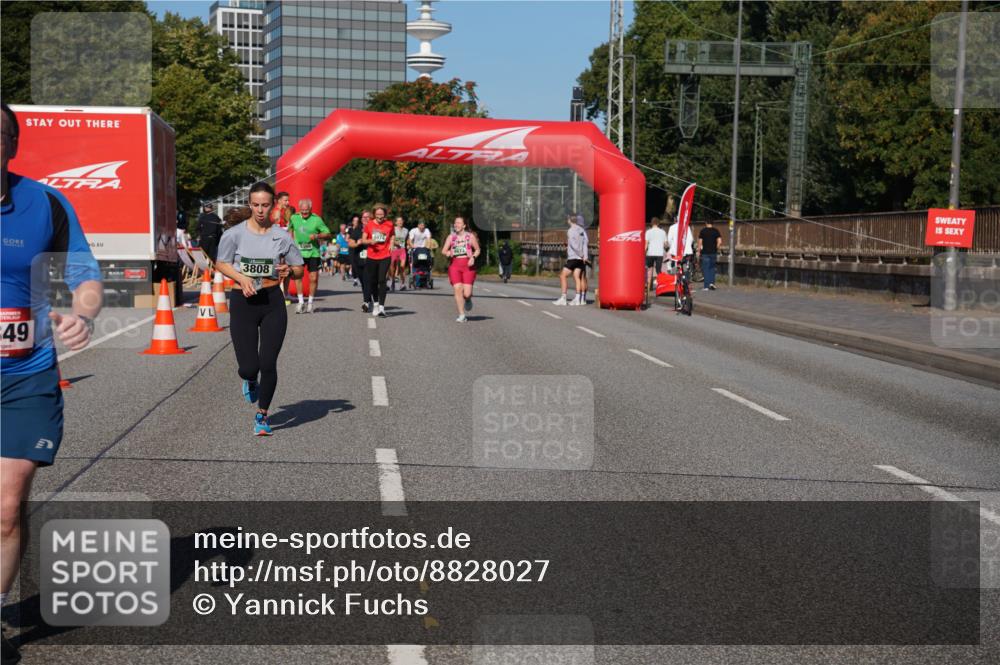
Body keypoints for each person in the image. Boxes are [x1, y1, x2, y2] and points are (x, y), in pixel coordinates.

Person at [1, 103, 103, 664]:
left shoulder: (45, 203)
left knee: (7, 507)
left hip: (25, 376)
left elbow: (86, 274)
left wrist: (81, 314)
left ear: (11, 145)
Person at [215, 182, 304, 436]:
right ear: (249, 205)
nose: (260, 210)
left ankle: (262, 414)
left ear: (273, 205)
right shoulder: (234, 234)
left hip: (272, 301)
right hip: (243, 303)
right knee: (249, 367)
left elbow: (299, 267)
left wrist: (289, 270)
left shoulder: (282, 236)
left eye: (265, 205)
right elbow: (221, 263)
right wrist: (241, 278)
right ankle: (250, 380)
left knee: (268, 362)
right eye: (255, 205)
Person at [288, 198, 331, 314]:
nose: (304, 213)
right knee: (298, 276)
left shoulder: (316, 219)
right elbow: (289, 229)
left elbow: (328, 233)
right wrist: (291, 239)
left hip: (313, 252)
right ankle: (301, 302)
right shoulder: (294, 217)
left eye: (306, 211)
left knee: (313, 278)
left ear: (310, 209)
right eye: (302, 211)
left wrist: (317, 236)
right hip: (299, 252)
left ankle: (310, 302)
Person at [442, 216, 481, 322]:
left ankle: (468, 299)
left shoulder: (470, 237)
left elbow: (477, 250)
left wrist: (473, 257)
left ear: (464, 225)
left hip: (468, 266)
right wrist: (448, 252)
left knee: (466, 293)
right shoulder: (451, 237)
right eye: (455, 223)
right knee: (457, 289)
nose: (456, 225)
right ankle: (462, 315)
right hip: (455, 266)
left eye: (459, 223)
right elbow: (444, 251)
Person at [360, 205, 394, 317]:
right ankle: (375, 304)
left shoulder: (389, 224)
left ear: (385, 214)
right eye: (378, 214)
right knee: (373, 281)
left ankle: (382, 308)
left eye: (382, 214)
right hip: (372, 256)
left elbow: (392, 235)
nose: (380, 216)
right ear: (374, 214)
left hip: (385, 255)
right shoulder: (369, 225)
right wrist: (370, 241)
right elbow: (363, 240)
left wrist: (392, 244)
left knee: (382, 280)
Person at [553, 214, 589, 306]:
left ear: (570, 220)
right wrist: (585, 256)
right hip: (581, 258)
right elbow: (585, 243)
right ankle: (577, 298)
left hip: (574, 257)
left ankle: (563, 298)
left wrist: (580, 254)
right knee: (577, 277)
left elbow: (573, 245)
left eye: (567, 219)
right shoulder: (581, 230)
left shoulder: (570, 230)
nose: (567, 220)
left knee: (562, 275)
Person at [666, 214, 695, 311]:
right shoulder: (687, 227)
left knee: (678, 270)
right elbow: (691, 240)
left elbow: (669, 241)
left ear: (675, 219)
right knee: (685, 269)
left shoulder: (672, 227)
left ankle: (680, 284)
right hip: (687, 253)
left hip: (677, 253)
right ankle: (686, 280)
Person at [348, 211, 369, 301]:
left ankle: (368, 300)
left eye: (367, 217)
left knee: (371, 280)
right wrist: (357, 243)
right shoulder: (358, 229)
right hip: (360, 257)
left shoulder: (375, 228)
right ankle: (367, 299)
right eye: (363, 217)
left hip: (373, 257)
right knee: (363, 280)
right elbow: (350, 243)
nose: (365, 219)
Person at [644, 217, 668, 294]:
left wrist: (644, 252)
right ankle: (661, 286)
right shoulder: (663, 232)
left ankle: (648, 287)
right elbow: (666, 244)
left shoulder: (648, 232)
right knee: (658, 270)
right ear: (658, 223)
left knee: (649, 270)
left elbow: (646, 244)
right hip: (659, 253)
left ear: (651, 223)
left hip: (650, 253)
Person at [698, 220, 723, 291]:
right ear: (712, 223)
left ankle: (706, 286)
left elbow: (700, 242)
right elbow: (720, 241)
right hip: (713, 252)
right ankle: (712, 283)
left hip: (705, 252)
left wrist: (698, 251)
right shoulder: (716, 231)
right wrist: (716, 248)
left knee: (706, 269)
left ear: (706, 223)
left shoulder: (703, 231)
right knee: (712, 268)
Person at [389, 216, 409, 291]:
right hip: (394, 250)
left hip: (402, 250)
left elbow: (407, 240)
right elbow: (390, 239)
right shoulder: (393, 229)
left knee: (402, 267)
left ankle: (402, 284)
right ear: (396, 222)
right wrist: (395, 243)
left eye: (401, 220)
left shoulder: (406, 230)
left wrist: (410, 245)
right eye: (398, 221)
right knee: (392, 267)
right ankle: (393, 281)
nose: (400, 222)